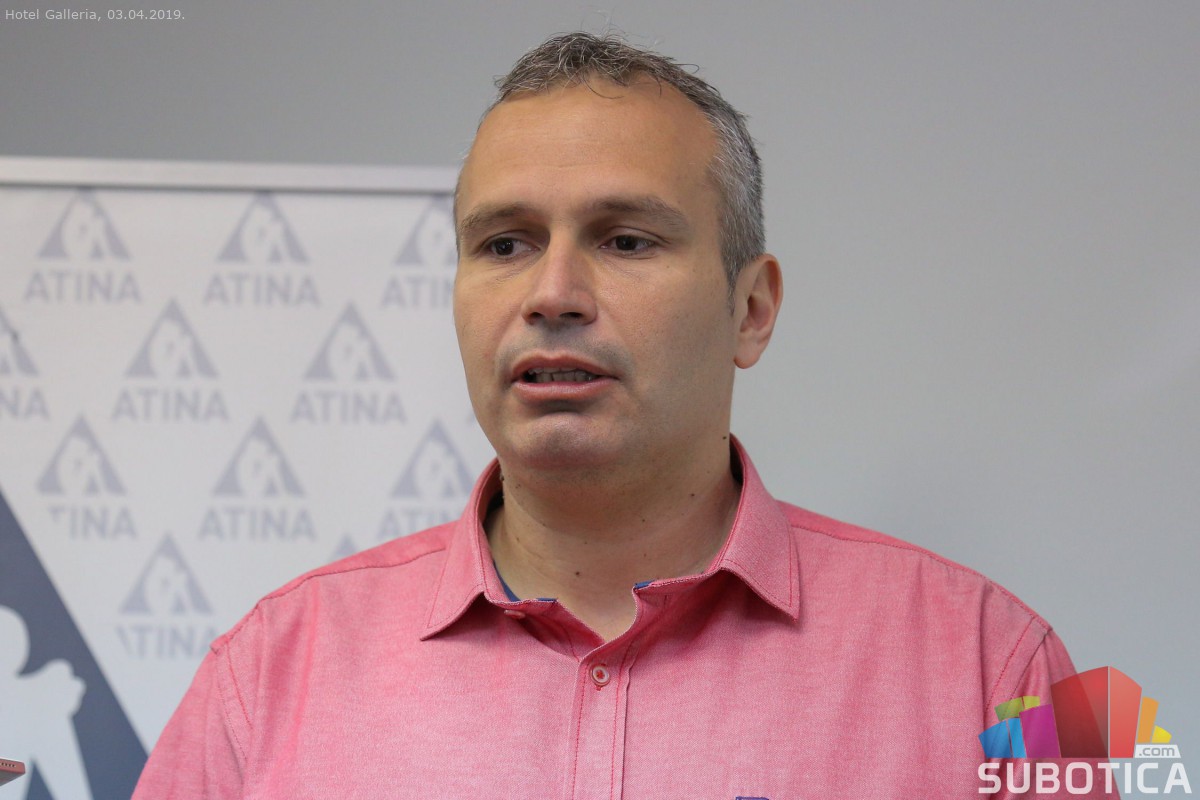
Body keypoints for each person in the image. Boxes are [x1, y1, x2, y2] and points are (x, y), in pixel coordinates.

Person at [134, 33, 1104, 798]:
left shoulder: (1011, 665)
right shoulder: (264, 673)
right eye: (504, 243)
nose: (552, 293)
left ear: (752, 309)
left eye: (626, 239)